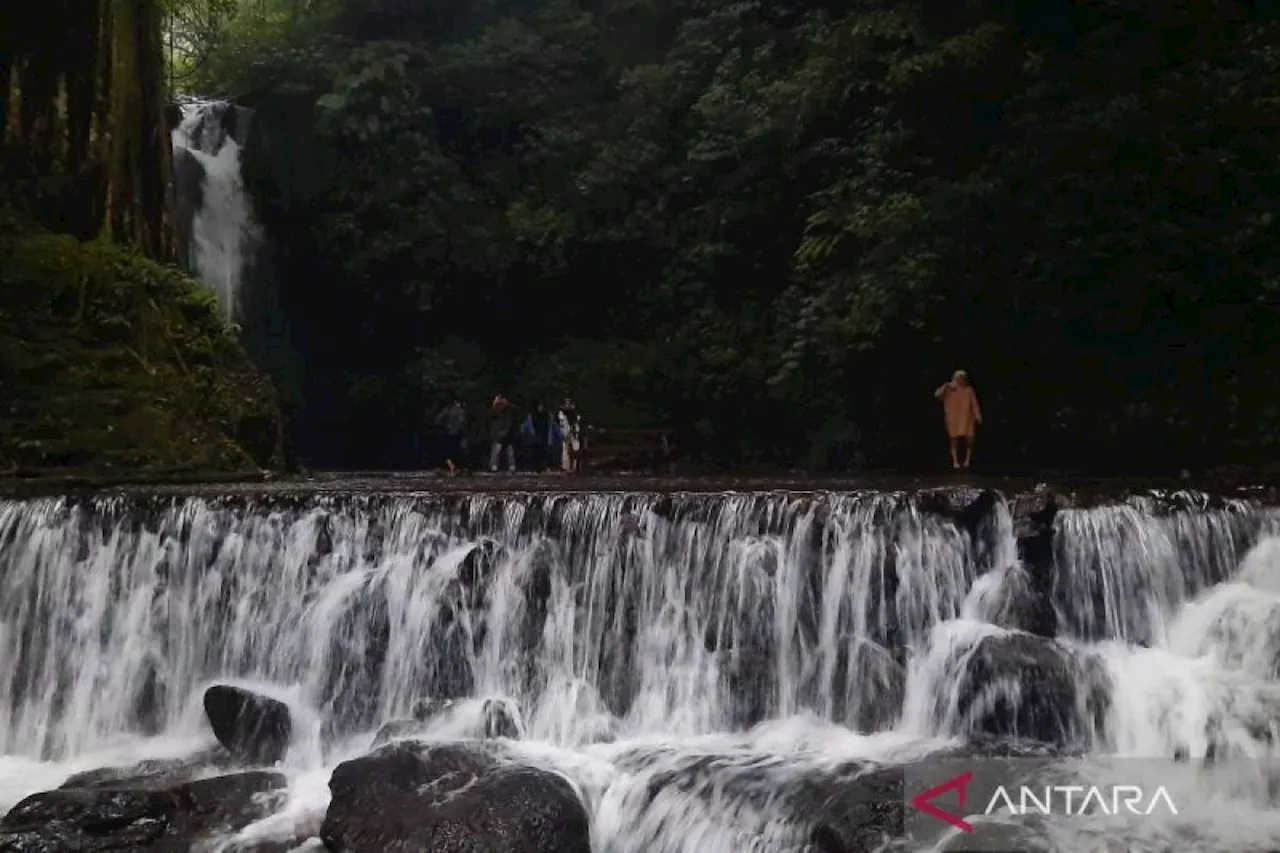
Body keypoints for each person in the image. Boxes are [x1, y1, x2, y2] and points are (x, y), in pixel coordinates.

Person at [934, 370, 982, 470]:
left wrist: (978, 415)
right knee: (954, 439)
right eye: (958, 378)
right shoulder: (949, 389)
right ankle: (955, 461)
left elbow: (974, 404)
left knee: (969, 439)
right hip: (953, 417)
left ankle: (967, 460)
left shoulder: (969, 390)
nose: (960, 380)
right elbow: (937, 396)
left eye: (962, 378)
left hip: (967, 417)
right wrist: (945, 386)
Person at [520, 402, 558, 471]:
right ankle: (535, 467)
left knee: (546, 452)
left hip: (545, 436)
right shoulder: (532, 416)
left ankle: (546, 466)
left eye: (542, 406)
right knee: (536, 452)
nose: (541, 408)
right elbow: (526, 425)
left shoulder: (547, 415)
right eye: (539, 406)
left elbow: (553, 426)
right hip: (536, 436)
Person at [435, 397, 468, 476]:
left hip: (448, 433)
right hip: (458, 434)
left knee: (447, 452)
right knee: (457, 452)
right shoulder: (461, 412)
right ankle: (456, 468)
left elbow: (438, 420)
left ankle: (451, 467)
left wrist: (444, 427)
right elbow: (462, 423)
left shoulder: (447, 410)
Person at [488, 395, 517, 473]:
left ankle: (511, 466)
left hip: (506, 434)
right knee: (496, 451)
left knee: (509, 451)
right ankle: (494, 466)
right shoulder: (494, 413)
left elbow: (509, 423)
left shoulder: (509, 411)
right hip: (498, 434)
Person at [557, 397, 583, 474]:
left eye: (569, 404)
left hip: (574, 433)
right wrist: (564, 433)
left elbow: (577, 423)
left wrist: (576, 431)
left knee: (576, 449)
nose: (568, 405)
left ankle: (575, 466)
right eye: (566, 404)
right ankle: (566, 467)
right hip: (566, 433)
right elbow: (562, 424)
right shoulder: (562, 413)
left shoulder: (575, 414)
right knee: (565, 450)